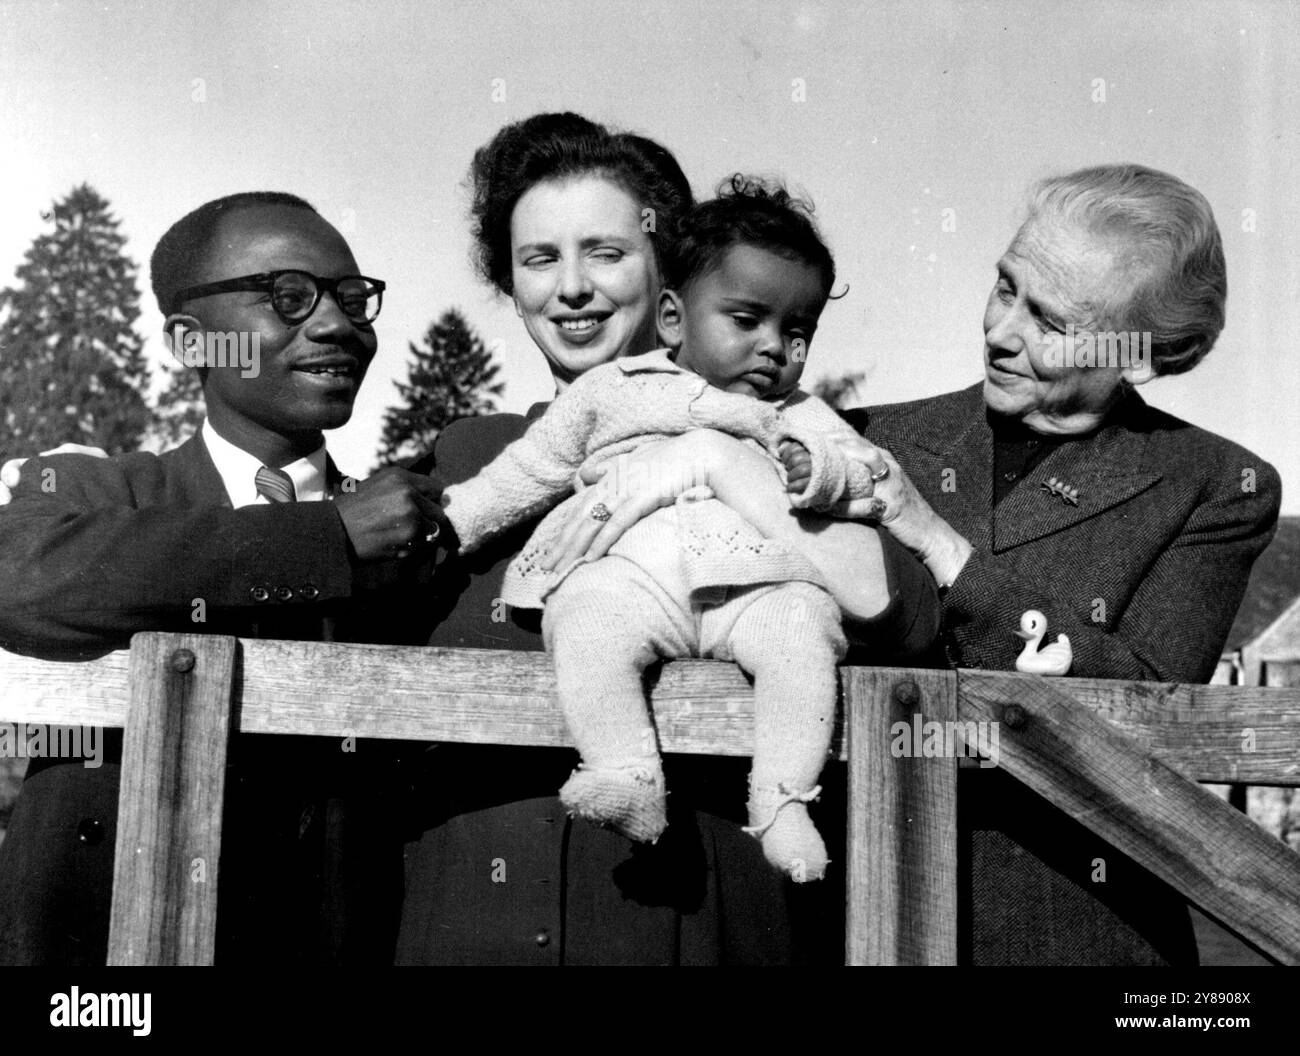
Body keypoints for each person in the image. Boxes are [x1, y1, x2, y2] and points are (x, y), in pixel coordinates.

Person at [568, 163, 1283, 965]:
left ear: (1143, 354)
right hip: (858, 916)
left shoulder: (1216, 486)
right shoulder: (865, 436)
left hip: (1074, 937)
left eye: (1050, 319)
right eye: (1006, 286)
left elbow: (1145, 710)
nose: (1002, 330)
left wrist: (936, 542)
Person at [397, 113, 940, 964]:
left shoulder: (782, 428)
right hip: (476, 926)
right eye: (539, 259)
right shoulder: (464, 457)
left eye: (606, 253)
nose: (571, 287)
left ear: (670, 271)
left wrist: (718, 461)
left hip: (704, 918)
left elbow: (896, 611)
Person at [0, 191, 446, 965]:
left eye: (351, 298)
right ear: (192, 342)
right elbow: (17, 580)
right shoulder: (103, 494)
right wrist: (324, 539)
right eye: (287, 296)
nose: (337, 324)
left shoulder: (412, 535)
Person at [437, 176, 893, 879]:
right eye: (746, 320)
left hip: (750, 583)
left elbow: (867, 475)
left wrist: (819, 473)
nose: (774, 347)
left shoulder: (795, 412)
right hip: (633, 581)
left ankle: (781, 801)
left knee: (803, 631)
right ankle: (627, 776)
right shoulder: (611, 393)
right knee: (585, 620)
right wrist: (455, 523)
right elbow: (530, 468)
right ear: (676, 319)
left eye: (795, 332)